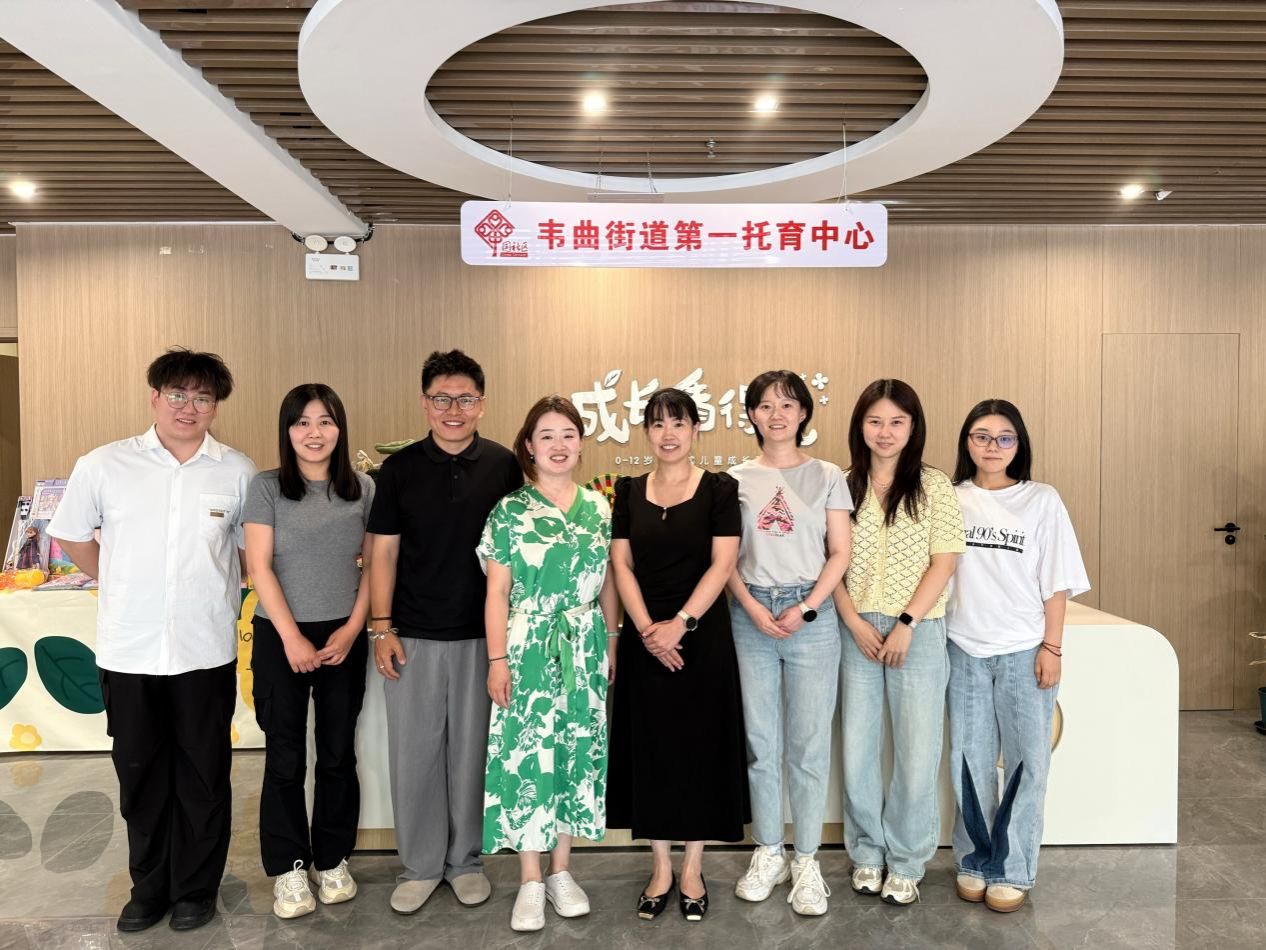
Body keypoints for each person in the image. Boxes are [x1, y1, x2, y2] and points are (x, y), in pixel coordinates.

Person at [47, 348, 256, 933]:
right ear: (155, 397)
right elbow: (73, 537)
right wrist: (119, 580)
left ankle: (195, 889)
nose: (189, 407)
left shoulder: (237, 472)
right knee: (139, 775)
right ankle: (148, 887)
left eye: (203, 397)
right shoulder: (104, 464)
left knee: (203, 775)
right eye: (178, 394)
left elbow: (248, 555)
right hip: (129, 649)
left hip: (204, 648)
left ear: (216, 406)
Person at [366, 349, 522, 914]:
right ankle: (420, 865)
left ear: (482, 404)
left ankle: (466, 862)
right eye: (442, 399)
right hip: (413, 634)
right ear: (424, 403)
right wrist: (381, 628)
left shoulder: (504, 465)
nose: (453, 410)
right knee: (416, 755)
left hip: (485, 638)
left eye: (465, 399)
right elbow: (383, 553)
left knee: (473, 754)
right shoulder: (399, 470)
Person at [607, 388, 749, 923]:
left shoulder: (719, 489)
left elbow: (722, 564)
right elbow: (621, 565)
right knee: (653, 751)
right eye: (658, 424)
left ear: (695, 430)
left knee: (699, 750)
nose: (668, 434)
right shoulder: (627, 490)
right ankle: (660, 867)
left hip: (701, 638)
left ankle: (692, 867)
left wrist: (680, 625)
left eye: (679, 423)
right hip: (646, 638)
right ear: (647, 432)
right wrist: (648, 630)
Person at [479, 395, 619, 933]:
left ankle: (562, 870)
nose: (559, 445)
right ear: (529, 447)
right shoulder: (510, 511)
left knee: (574, 753)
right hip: (528, 645)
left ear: (580, 444)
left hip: (584, 643)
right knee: (527, 755)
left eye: (568, 435)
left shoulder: (599, 508)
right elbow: (497, 593)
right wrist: (497, 660)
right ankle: (530, 878)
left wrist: (611, 642)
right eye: (547, 436)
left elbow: (607, 583)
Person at [946, 399, 1089, 913]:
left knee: (1028, 762)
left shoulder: (1042, 500)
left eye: (1004, 437)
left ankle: (1013, 868)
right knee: (969, 761)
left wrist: (1052, 646)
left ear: (1018, 444)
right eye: (982, 436)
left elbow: (1057, 582)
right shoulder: (948, 498)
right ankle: (974, 859)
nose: (993, 446)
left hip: (1024, 650)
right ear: (967, 442)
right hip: (962, 649)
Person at [243, 384, 375, 919]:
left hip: (344, 636)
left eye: (325, 421)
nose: (314, 433)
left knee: (338, 753)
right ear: (287, 430)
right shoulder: (266, 487)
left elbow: (375, 565)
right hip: (280, 635)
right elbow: (259, 566)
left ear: (340, 428)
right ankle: (289, 868)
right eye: (302, 422)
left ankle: (333, 858)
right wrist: (292, 636)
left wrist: (353, 628)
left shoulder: (363, 488)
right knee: (285, 755)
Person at [836, 378, 965, 907]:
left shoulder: (934, 485)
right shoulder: (841, 485)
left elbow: (945, 560)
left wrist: (907, 623)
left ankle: (908, 861)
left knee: (916, 750)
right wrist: (853, 620)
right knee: (858, 748)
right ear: (859, 427)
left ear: (913, 427)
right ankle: (867, 853)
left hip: (920, 629)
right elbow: (830, 562)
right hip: (856, 630)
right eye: (875, 421)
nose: (885, 432)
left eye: (896, 422)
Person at [727, 370, 851, 917]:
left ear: (804, 413)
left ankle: (806, 860)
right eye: (765, 405)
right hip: (749, 613)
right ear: (751, 415)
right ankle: (769, 852)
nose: (776, 415)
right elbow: (724, 559)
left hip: (812, 618)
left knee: (808, 746)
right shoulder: (733, 480)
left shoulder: (828, 475)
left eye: (787, 404)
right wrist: (752, 607)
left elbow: (839, 552)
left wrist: (807, 608)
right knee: (761, 744)